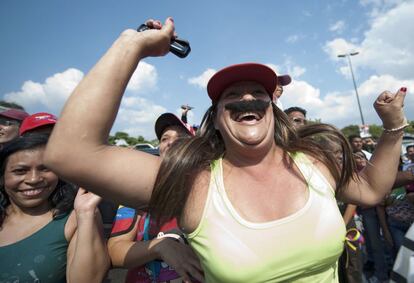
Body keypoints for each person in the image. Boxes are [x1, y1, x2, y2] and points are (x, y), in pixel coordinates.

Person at [44, 18, 408, 282]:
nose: (245, 100)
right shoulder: (192, 182)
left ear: (272, 110)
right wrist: (131, 46)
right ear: (216, 119)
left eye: (257, 95)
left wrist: (393, 128)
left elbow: (373, 190)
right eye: (231, 97)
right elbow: (70, 153)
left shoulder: (314, 163)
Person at [0, 134, 109, 282]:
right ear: (2, 177)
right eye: (20, 171)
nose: (33, 179)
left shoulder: (74, 219)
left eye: (45, 169)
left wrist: (86, 213)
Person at [108, 112, 198, 283]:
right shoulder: (134, 189)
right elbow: (115, 252)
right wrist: (161, 247)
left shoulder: (206, 187)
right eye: (165, 139)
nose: (171, 142)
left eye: (181, 138)